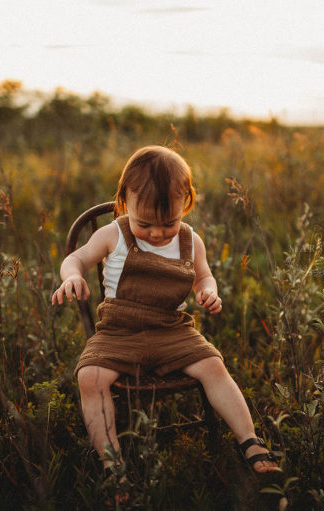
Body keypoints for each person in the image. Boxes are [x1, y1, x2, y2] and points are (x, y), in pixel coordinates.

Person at [51, 145, 280, 475]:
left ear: (185, 205)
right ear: (123, 204)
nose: (157, 232)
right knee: (90, 377)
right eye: (145, 224)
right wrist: (72, 276)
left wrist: (208, 292)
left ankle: (250, 441)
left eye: (168, 222)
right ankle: (113, 466)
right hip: (119, 330)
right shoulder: (112, 234)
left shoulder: (190, 240)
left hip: (173, 329)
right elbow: (76, 258)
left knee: (214, 366)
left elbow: (204, 276)